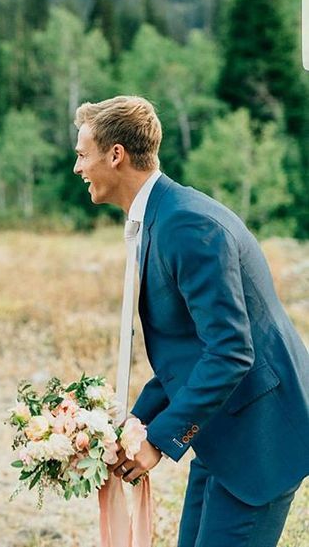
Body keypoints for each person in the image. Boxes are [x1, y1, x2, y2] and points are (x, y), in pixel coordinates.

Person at [73, 96, 309, 547]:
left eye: (83, 155)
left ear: (116, 155)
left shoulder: (187, 225)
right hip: (224, 435)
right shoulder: (161, 215)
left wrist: (157, 441)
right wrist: (131, 428)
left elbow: (230, 351)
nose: (77, 168)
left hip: (261, 440)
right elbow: (189, 350)